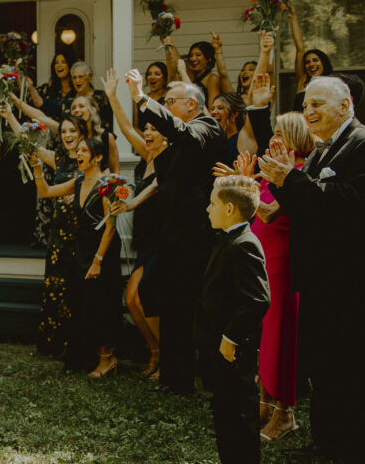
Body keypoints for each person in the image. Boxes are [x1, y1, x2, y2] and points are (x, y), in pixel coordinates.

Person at [258, 76, 365, 463]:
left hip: (356, 285)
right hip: (321, 283)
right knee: (326, 372)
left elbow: (351, 204)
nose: (310, 111)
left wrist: (292, 180)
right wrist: (280, 193)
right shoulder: (323, 150)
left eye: (318, 104)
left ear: (345, 103)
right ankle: (327, 444)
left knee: (356, 377)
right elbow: (309, 206)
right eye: (305, 106)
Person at [215, 113, 313, 442]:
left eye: (282, 135)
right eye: (273, 134)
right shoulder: (273, 176)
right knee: (264, 338)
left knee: (279, 339)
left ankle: (285, 414)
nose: (273, 140)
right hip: (264, 263)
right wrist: (251, 182)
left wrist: (246, 187)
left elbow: (269, 214)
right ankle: (266, 403)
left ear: (297, 139)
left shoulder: (298, 176)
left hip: (283, 265)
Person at [128, 71, 227, 395]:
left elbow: (187, 136)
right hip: (170, 236)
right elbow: (161, 180)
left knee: (197, 309)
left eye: (170, 102)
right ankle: (175, 378)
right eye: (163, 102)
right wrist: (133, 202)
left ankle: (212, 378)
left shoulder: (206, 127)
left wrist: (142, 99)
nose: (165, 106)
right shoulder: (177, 141)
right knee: (172, 307)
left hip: (196, 238)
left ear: (191, 104)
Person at [194, 175, 270, 464]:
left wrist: (230, 337)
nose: (207, 209)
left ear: (229, 209)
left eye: (212, 204)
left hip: (234, 350)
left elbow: (258, 299)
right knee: (225, 416)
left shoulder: (244, 245)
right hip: (218, 349)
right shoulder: (228, 239)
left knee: (239, 416)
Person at [0, 103, 86, 358]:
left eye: (73, 132)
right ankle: (54, 344)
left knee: (76, 289)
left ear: (81, 134)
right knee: (55, 287)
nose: (68, 136)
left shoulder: (90, 160)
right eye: (65, 132)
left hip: (82, 233)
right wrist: (11, 118)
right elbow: (29, 145)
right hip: (58, 231)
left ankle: (78, 345)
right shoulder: (58, 159)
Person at [30, 138, 121, 377]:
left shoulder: (107, 184)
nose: (77, 154)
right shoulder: (80, 181)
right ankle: (86, 356)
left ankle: (107, 358)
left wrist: (98, 261)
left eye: (83, 151)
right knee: (81, 303)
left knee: (100, 303)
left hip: (103, 250)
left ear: (98, 157)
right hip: (82, 247)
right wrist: (38, 169)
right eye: (77, 150)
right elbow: (47, 191)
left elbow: (110, 226)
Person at [103, 68, 167, 379]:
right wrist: (113, 96)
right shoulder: (147, 154)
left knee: (140, 298)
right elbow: (127, 127)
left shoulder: (172, 157)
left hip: (163, 238)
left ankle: (162, 356)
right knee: (131, 300)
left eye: (155, 130)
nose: (149, 134)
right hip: (144, 236)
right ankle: (155, 351)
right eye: (149, 130)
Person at [165, 31, 232, 109]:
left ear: (208, 59)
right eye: (191, 55)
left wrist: (218, 49)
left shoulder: (212, 79)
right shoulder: (191, 75)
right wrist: (167, 40)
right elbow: (177, 61)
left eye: (198, 55)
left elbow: (213, 107)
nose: (193, 59)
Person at [287, 5, 335, 112]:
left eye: (315, 60)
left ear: (323, 62)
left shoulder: (332, 84)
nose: (311, 64)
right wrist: (293, 17)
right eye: (307, 62)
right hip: (298, 128)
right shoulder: (303, 80)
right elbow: (300, 48)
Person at [25, 52, 76, 119]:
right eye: (56, 63)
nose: (58, 65)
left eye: (63, 62)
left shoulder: (77, 88)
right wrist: (29, 87)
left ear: (70, 65)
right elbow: (34, 101)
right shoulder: (47, 89)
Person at [69, 61, 113, 132]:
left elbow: (109, 123)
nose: (77, 80)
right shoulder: (70, 99)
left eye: (80, 76)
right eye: (74, 77)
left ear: (90, 78)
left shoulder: (102, 97)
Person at [133, 61, 169, 132]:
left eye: (157, 74)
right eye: (149, 74)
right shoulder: (140, 99)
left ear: (164, 78)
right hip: (142, 139)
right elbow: (136, 127)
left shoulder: (169, 99)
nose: (152, 77)